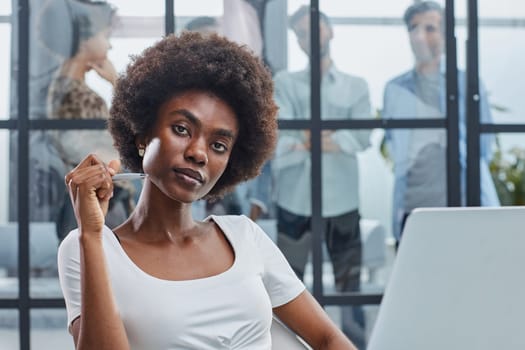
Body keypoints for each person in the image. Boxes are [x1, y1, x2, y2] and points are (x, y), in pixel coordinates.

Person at [57, 32, 357, 349]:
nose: (199, 154)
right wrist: (91, 233)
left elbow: (328, 339)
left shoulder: (244, 235)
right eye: (182, 129)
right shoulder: (88, 247)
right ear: (143, 136)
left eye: (218, 145)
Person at [272, 5, 372, 348]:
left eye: (314, 29)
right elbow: (279, 139)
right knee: (287, 285)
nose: (308, 38)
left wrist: (305, 139)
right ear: (297, 41)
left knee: (350, 288)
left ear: (330, 31)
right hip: (294, 201)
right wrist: (320, 138)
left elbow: (361, 138)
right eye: (300, 33)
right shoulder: (283, 84)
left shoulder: (355, 86)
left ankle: (354, 344)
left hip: (342, 200)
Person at [382, 1, 500, 243]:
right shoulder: (395, 89)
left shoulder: (467, 83)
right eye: (413, 28)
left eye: (430, 28)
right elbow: (395, 146)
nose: (419, 35)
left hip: (463, 205)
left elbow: (483, 145)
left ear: (446, 35)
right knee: (417, 279)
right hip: (413, 207)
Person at [44, 0, 134, 240]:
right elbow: (116, 155)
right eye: (105, 35)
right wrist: (118, 84)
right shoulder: (75, 94)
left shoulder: (65, 89)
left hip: (93, 202)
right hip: (99, 203)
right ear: (84, 40)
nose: (110, 44)